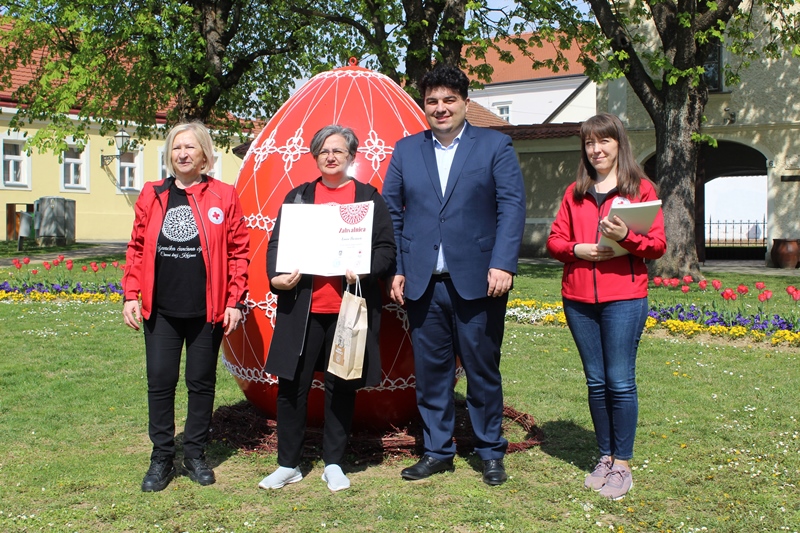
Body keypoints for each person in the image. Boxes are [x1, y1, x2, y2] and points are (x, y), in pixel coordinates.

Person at [382, 66, 526, 486]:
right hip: (423, 282)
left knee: (482, 370)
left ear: (465, 102)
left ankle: (490, 452)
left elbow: (511, 206)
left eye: (449, 99)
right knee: (432, 374)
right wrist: (397, 269)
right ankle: (437, 451)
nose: (440, 108)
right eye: (432, 101)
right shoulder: (406, 150)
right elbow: (392, 212)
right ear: (424, 106)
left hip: (480, 281)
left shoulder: (495, 145)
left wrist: (503, 263)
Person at [258, 125, 396, 492]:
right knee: (292, 386)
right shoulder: (299, 197)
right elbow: (277, 244)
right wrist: (275, 278)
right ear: (315, 156)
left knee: (341, 385)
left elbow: (386, 248)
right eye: (323, 151)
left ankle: (333, 463)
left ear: (351, 156)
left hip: (347, 310)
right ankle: (288, 464)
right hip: (302, 309)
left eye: (338, 150)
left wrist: (364, 268)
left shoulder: (368, 198)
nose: (331, 156)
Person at [122, 121, 250, 492]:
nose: (182, 153)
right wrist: (131, 294)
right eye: (176, 147)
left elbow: (239, 252)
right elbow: (136, 247)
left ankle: (194, 454)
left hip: (206, 311)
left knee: (201, 382)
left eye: (190, 147)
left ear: (205, 155)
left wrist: (235, 301)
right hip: (161, 310)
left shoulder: (223, 196)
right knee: (160, 382)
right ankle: (162, 457)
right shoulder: (153, 194)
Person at [546, 113, 666, 500]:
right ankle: (605, 457)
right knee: (596, 382)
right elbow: (555, 241)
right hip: (578, 299)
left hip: (624, 299)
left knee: (620, 381)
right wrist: (577, 249)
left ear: (619, 144)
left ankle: (623, 464)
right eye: (589, 143)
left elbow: (658, 246)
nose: (596, 150)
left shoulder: (641, 189)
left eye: (604, 141)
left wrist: (627, 236)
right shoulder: (575, 192)